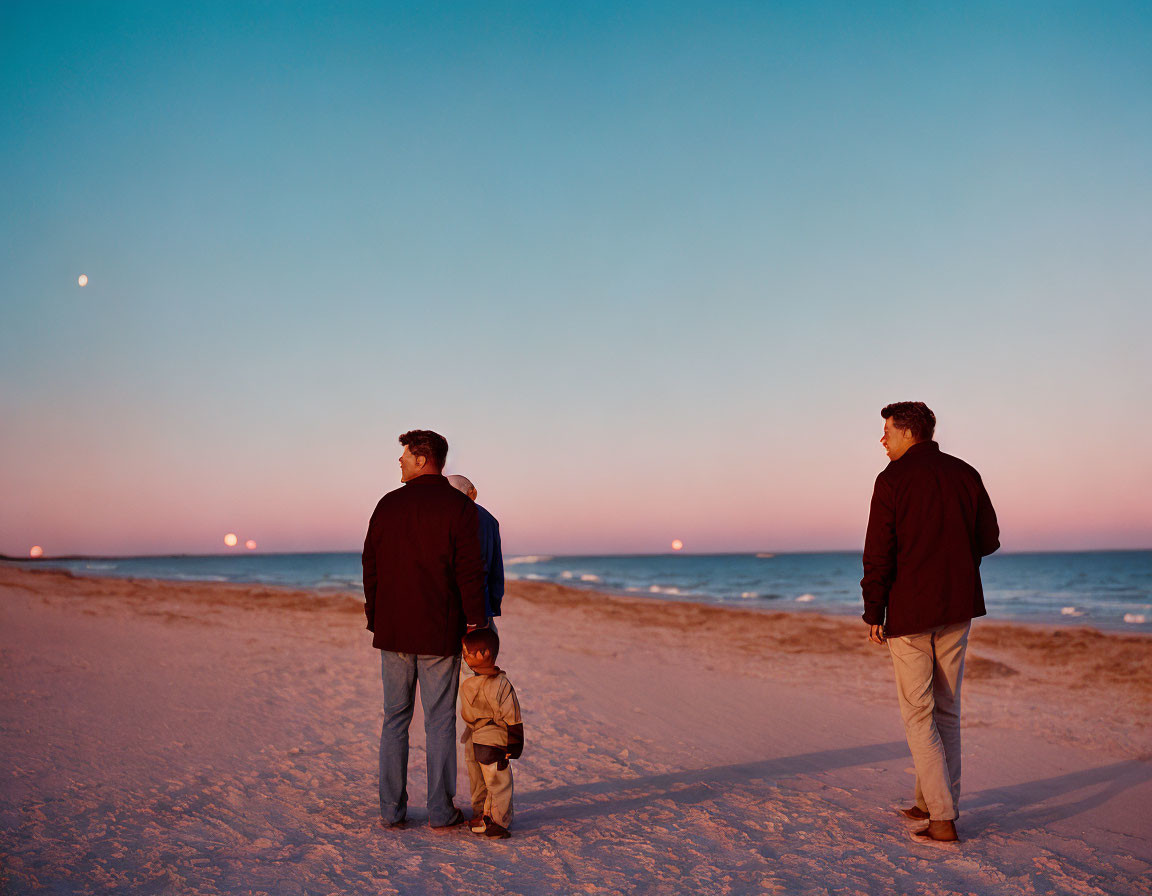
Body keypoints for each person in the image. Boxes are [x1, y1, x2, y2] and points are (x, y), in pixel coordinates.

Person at [860, 401, 999, 843]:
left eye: (887, 431)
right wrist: (956, 562)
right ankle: (928, 801)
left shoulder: (892, 480)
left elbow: (878, 553)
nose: (882, 439)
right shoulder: (966, 473)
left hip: (911, 613)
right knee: (947, 710)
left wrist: (873, 610)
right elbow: (989, 540)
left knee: (919, 713)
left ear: (908, 433)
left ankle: (941, 817)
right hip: (957, 608)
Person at [362, 429, 488, 830]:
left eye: (404, 456)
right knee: (438, 721)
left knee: (394, 719)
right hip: (439, 628)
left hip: (395, 628)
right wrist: (476, 623)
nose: (399, 462)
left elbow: (371, 568)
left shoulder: (387, 505)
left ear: (423, 458)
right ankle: (439, 811)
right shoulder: (459, 508)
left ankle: (391, 811)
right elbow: (470, 573)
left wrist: (375, 616)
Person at [459, 627, 523, 839]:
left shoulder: (469, 685)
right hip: (495, 740)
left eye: (467, 653)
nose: (464, 656)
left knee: (487, 782)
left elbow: (468, 716)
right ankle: (497, 821)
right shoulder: (503, 684)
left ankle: (489, 818)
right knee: (499, 783)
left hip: (477, 738)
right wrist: (514, 746)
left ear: (483, 655)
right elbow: (513, 717)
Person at [447, 474, 505, 630]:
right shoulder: (489, 519)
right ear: (472, 492)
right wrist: (493, 604)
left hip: (446, 606)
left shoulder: (440, 517)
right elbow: (495, 567)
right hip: (481, 605)